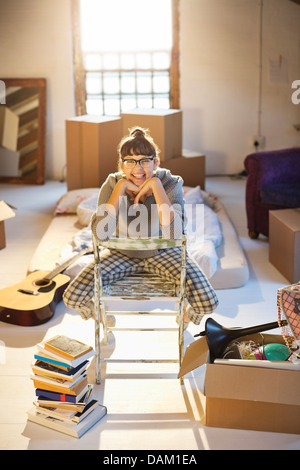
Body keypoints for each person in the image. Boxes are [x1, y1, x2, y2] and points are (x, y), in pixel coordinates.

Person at [63, 127, 218, 326]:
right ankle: (101, 316)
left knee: (208, 302)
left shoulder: (170, 183)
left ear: (156, 163)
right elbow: (101, 234)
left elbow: (174, 233)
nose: (137, 168)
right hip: (121, 254)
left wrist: (156, 186)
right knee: (72, 298)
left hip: (164, 252)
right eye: (130, 161)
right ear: (121, 165)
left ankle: (185, 316)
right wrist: (119, 189)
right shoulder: (111, 184)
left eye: (145, 160)